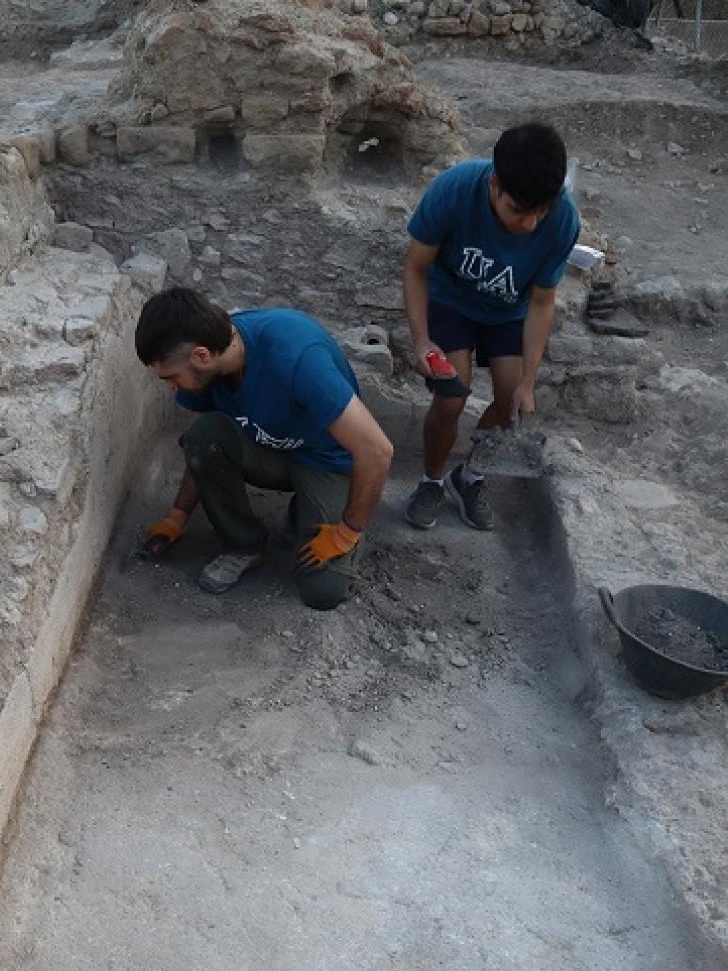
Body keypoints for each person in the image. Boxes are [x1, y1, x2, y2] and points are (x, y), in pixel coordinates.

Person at [135, 289, 394, 610]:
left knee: (323, 591)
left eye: (170, 377)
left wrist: (347, 532)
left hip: (325, 461)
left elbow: (377, 451)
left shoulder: (296, 356)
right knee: (205, 436)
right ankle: (243, 545)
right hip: (269, 448)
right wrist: (176, 516)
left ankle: (313, 508)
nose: (170, 386)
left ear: (201, 355)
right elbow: (203, 443)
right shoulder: (211, 365)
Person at [402, 122, 580, 533]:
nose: (531, 224)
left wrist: (529, 382)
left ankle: (469, 477)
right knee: (451, 396)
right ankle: (431, 480)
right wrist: (422, 340)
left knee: (510, 400)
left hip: (508, 311)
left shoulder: (563, 219)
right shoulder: (454, 190)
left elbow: (541, 302)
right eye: (519, 210)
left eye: (542, 212)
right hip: (450, 299)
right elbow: (415, 268)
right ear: (494, 184)